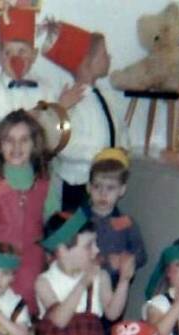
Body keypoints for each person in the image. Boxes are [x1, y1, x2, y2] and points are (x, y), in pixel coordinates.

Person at [0, 110, 59, 314]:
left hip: (32, 271)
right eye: (9, 140)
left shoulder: (45, 186)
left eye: (24, 140)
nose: (16, 147)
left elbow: (55, 230)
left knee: (26, 320)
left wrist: (56, 265)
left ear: (34, 144)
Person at [35, 209, 131, 335]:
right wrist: (82, 284)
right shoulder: (44, 281)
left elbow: (112, 313)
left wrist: (124, 280)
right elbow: (59, 320)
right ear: (63, 250)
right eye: (89, 245)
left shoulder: (100, 276)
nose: (96, 250)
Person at [41, 20, 127, 211]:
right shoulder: (69, 99)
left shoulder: (107, 97)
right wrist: (99, 154)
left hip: (108, 179)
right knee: (76, 224)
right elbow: (62, 143)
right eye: (104, 54)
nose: (109, 57)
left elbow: (119, 128)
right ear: (86, 61)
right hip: (78, 182)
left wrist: (122, 149)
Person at [0, 8, 84, 136]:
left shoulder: (46, 89)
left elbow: (57, 133)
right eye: (8, 53)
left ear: (34, 55)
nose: (16, 59)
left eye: (22, 51)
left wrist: (61, 109)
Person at [83, 148, 146, 289]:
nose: (103, 194)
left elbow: (141, 255)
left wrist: (126, 259)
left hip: (113, 287)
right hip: (81, 284)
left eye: (110, 188)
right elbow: (58, 247)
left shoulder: (124, 222)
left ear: (122, 190)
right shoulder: (78, 219)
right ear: (88, 187)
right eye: (97, 187)